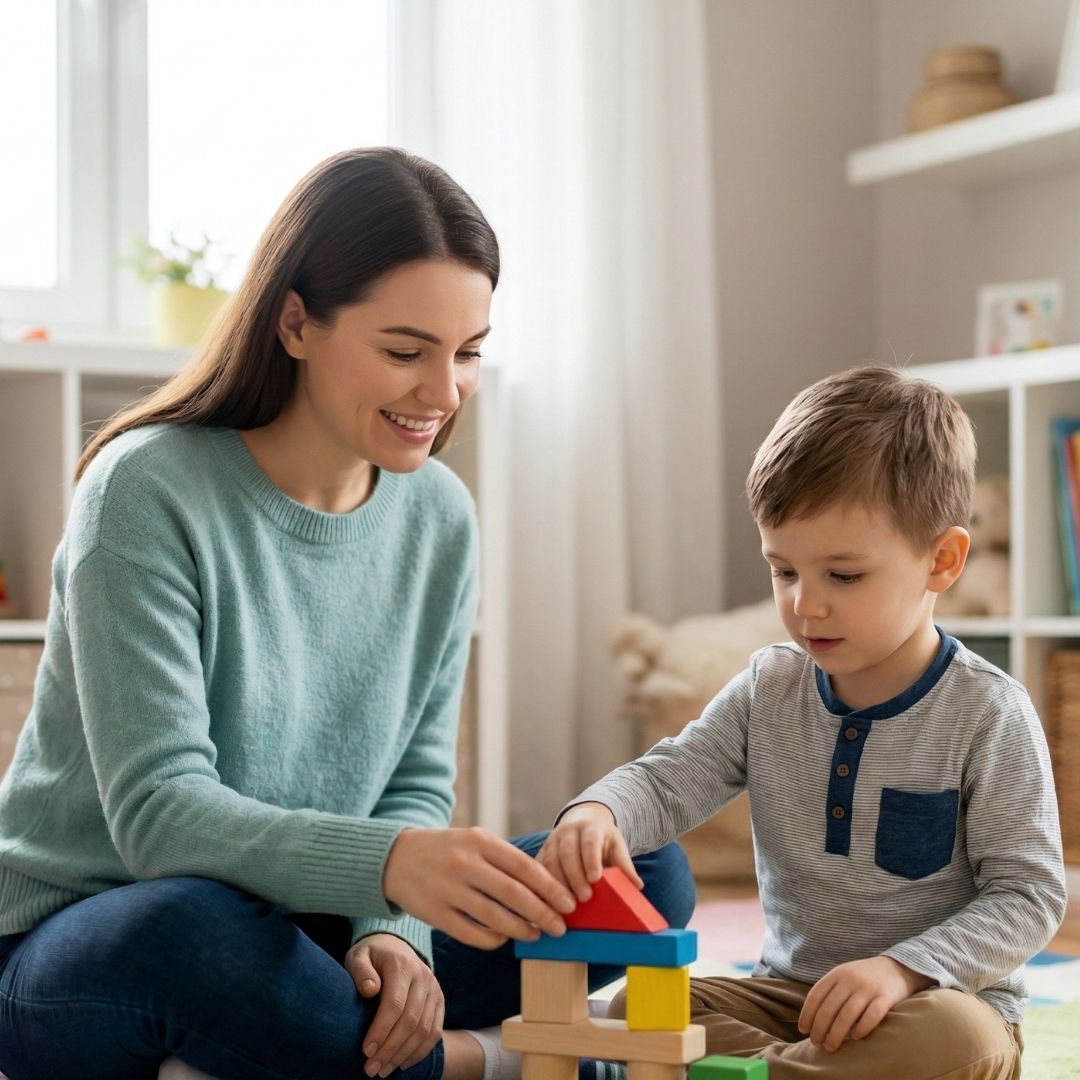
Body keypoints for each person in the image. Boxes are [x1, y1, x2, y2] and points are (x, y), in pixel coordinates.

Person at [0, 148, 694, 1080]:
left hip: (304, 923)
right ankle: (470, 1064)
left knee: (640, 876)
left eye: (469, 354)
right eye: (406, 352)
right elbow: (160, 818)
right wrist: (394, 867)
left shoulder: (440, 515)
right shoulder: (146, 489)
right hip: (90, 931)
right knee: (194, 931)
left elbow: (413, 775)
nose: (443, 394)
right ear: (295, 323)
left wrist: (396, 931)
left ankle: (306, 1034)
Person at [539, 366, 1067, 1080]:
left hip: (938, 999)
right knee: (634, 1005)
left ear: (942, 561)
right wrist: (600, 809)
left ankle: (752, 1073)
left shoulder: (987, 711)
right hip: (789, 996)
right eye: (784, 571)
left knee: (958, 1045)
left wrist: (901, 970)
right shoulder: (769, 686)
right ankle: (787, 1071)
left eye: (842, 577)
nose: (805, 606)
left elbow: (1029, 895)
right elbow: (668, 782)